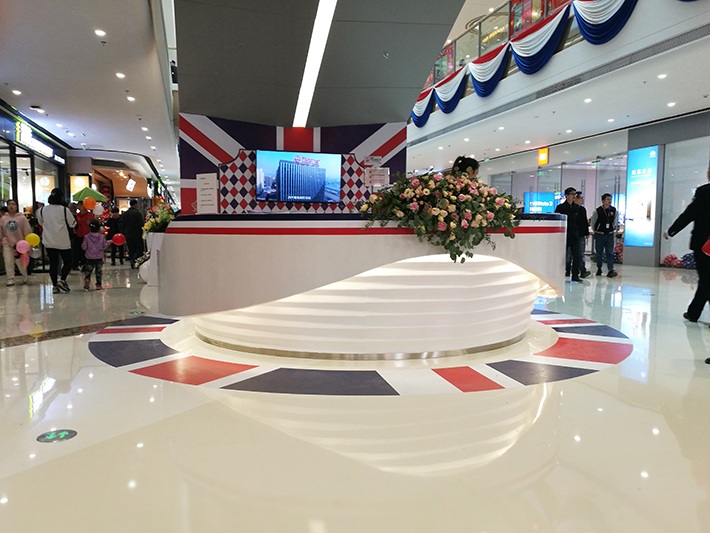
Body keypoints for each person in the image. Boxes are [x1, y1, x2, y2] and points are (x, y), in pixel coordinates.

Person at [664, 168, 710, 338]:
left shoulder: (704, 192)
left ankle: (694, 312)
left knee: (706, 280)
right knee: (707, 280)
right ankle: (693, 312)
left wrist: (671, 231)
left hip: (704, 245)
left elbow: (689, 214)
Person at [36, 188, 76, 294]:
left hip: (48, 240)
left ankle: (54, 286)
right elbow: (72, 224)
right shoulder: (64, 210)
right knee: (68, 261)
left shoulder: (41, 210)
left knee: (53, 263)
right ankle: (62, 280)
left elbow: (40, 223)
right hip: (63, 241)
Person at [555, 187, 584, 282]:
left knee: (577, 255)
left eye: (575, 194)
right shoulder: (560, 207)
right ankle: (559, 273)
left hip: (574, 235)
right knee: (562, 256)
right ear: (566, 196)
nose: (574, 196)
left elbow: (579, 222)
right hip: (564, 235)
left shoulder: (577, 208)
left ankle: (575, 275)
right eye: (572, 194)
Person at [0, 199, 32, 286]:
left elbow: (27, 230)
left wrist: (27, 242)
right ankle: (10, 278)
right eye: (9, 204)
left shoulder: (22, 218)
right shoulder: (3, 219)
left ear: (16, 206)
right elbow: (1, 231)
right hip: (7, 243)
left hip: (20, 244)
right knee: (8, 261)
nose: (11, 206)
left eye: (13, 204)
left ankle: (24, 276)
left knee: (21, 262)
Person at [590, 193, 619, 277]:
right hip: (600, 234)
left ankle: (611, 269)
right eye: (607, 199)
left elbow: (614, 221)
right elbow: (593, 222)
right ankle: (599, 268)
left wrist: (612, 228)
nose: (609, 201)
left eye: (610, 199)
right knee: (599, 252)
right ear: (603, 201)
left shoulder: (613, 210)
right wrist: (595, 231)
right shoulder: (597, 211)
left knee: (609, 252)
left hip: (609, 234)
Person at [81, 219, 110, 290]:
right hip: (99, 257)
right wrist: (109, 242)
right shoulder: (102, 237)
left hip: (89, 257)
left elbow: (84, 247)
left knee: (88, 270)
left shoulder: (86, 237)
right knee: (98, 271)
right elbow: (104, 246)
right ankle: (98, 285)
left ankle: (87, 279)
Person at [121, 199, 145, 268]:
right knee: (139, 248)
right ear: (135, 204)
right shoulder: (137, 213)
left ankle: (132, 261)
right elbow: (141, 224)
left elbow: (122, 224)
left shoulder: (125, 214)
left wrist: (124, 233)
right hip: (136, 233)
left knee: (131, 249)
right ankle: (135, 260)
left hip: (128, 234)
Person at [573, 192, 592, 278]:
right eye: (581, 198)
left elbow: (584, 222)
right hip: (573, 234)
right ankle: (570, 270)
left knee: (580, 253)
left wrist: (586, 232)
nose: (582, 200)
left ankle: (582, 270)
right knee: (572, 254)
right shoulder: (572, 209)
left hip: (580, 234)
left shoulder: (582, 209)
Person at [72, 200, 93, 269]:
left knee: (85, 251)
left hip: (87, 235)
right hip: (78, 235)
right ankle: (75, 264)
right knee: (76, 250)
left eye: (80, 205)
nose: (79, 207)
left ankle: (85, 264)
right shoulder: (77, 215)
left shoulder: (89, 215)